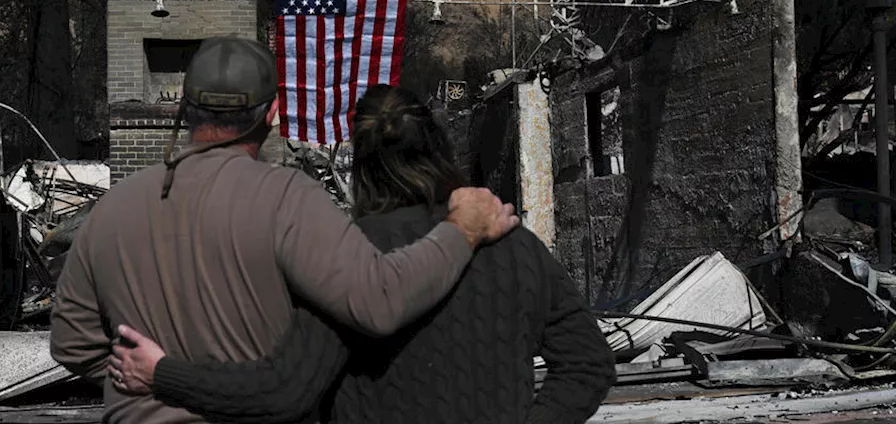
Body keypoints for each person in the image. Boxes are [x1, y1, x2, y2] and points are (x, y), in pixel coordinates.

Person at [50, 37, 519, 424]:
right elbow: (380, 300)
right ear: (271, 114)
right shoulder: (287, 199)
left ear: (185, 111)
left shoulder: (111, 210)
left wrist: (148, 380)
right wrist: (463, 228)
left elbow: (72, 344)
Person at [109, 84, 617, 424]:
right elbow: (589, 366)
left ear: (363, 164)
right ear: (438, 147)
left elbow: (284, 391)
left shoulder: (349, 256)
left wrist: (160, 372)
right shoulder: (515, 245)